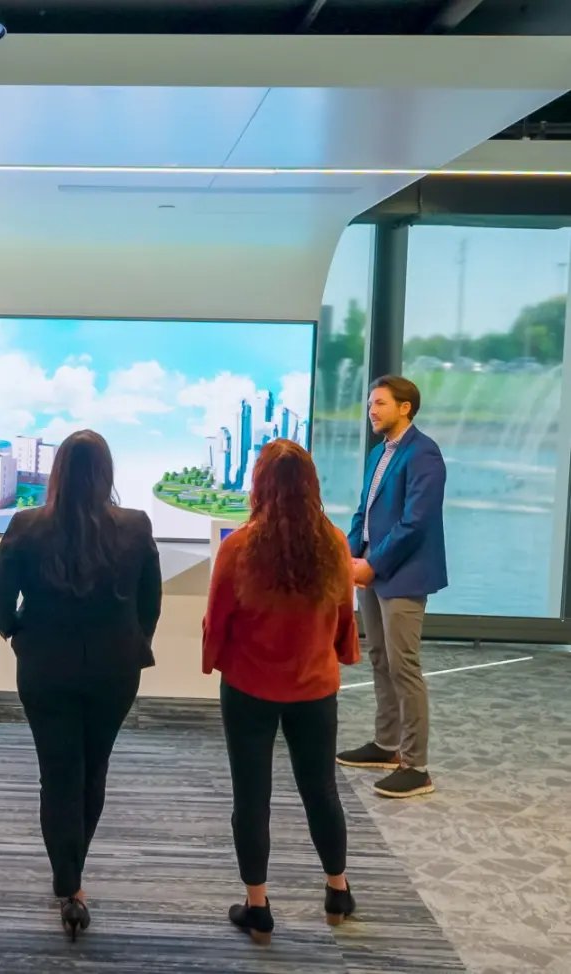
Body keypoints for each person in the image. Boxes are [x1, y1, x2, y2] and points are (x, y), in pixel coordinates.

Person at [0, 430, 162, 941]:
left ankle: (69, 882)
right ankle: (73, 872)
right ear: (106, 473)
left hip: (45, 670)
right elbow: (150, 602)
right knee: (93, 767)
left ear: (56, 472)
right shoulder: (135, 526)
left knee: (57, 773)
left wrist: (23, 635)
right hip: (115, 670)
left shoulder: (26, 525)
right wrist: (132, 641)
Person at [203, 438, 360, 945]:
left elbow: (218, 620)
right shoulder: (334, 543)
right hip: (315, 687)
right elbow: (343, 616)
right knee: (321, 791)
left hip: (249, 687)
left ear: (259, 486)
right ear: (311, 486)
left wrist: (215, 662)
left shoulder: (239, 547)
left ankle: (258, 905)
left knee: (252, 797)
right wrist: (340, 654)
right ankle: (337, 889)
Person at [337, 376, 447, 800]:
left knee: (404, 666)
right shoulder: (378, 453)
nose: (372, 411)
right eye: (370, 405)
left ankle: (416, 766)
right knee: (380, 659)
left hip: (401, 574)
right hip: (370, 570)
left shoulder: (424, 453)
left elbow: (415, 522)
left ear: (406, 407)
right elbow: (363, 512)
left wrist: (373, 564)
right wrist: (349, 556)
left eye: (380, 403)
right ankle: (386, 745)